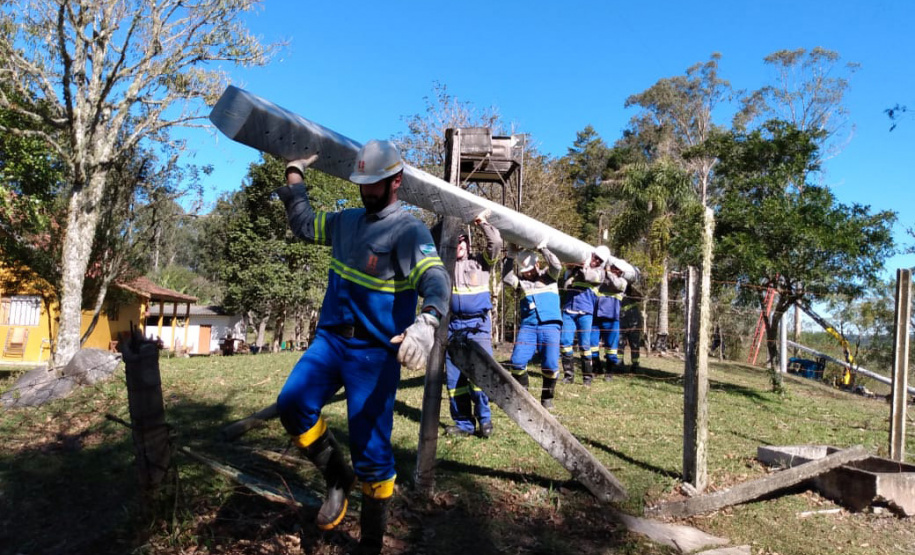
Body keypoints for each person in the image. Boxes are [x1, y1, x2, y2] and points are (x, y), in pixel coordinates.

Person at [273, 141, 450, 555]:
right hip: (331, 340)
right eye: (363, 185)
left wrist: (427, 323)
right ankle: (337, 476)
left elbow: (436, 278)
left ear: (396, 182)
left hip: (374, 354)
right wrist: (295, 172)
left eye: (376, 186)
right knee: (292, 405)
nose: (367, 193)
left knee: (372, 453)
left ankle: (370, 542)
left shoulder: (409, 231)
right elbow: (304, 224)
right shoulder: (346, 221)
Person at [437, 211, 502, 438]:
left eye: (462, 241)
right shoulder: (444, 266)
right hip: (454, 327)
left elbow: (496, 243)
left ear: (467, 242)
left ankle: (485, 420)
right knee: (455, 381)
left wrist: (482, 222)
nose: (459, 245)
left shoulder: (481, 263)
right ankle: (464, 424)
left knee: (480, 376)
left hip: (479, 326)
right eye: (455, 242)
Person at [503, 241, 563, 409]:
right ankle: (524, 395)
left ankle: (547, 397)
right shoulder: (521, 283)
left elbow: (556, 265)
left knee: (550, 365)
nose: (527, 274)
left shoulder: (550, 276)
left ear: (537, 264)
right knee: (517, 361)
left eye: (529, 270)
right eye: (524, 272)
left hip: (550, 326)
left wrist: (543, 248)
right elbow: (507, 278)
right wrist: (510, 255)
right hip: (528, 327)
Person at [559, 248, 605, 386]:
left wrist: (583, 266)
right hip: (569, 309)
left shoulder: (600, 273)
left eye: (599, 260)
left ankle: (587, 377)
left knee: (585, 345)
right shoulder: (576, 270)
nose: (595, 261)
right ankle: (568, 375)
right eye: (595, 257)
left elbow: (589, 277)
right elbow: (565, 285)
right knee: (565, 342)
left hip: (585, 312)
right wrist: (569, 269)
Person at [590, 250, 628, 380]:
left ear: (620, 272)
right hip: (596, 317)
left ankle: (609, 372)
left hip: (611, 319)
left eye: (615, 269)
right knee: (592, 345)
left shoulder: (622, 282)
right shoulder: (602, 279)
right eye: (612, 268)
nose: (613, 270)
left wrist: (608, 272)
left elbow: (616, 284)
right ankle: (596, 368)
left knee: (611, 348)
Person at [618, 283, 643, 371]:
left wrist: (631, 289)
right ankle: (619, 363)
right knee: (620, 344)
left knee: (634, 344)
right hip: (621, 323)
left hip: (634, 324)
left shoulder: (631, 292)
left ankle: (635, 364)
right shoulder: (616, 290)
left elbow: (640, 298)